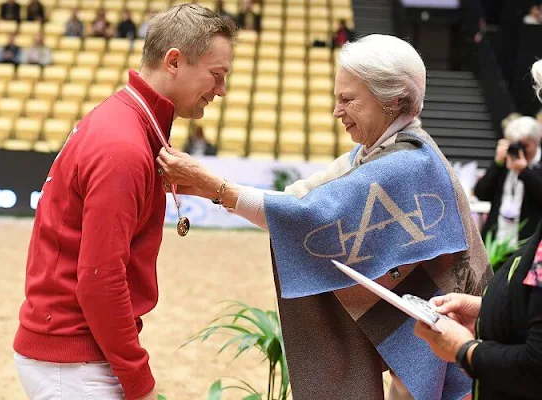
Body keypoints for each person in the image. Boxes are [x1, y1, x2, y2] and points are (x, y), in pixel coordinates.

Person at [157, 34, 492, 399]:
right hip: (425, 338)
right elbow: (296, 201)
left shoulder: (409, 164)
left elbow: (309, 216)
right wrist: (214, 189)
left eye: (347, 100)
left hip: (452, 337)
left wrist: (217, 187)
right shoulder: (370, 154)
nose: (336, 111)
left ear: (392, 100)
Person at [12, 4, 236, 400]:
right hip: (75, 356)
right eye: (216, 76)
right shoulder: (124, 144)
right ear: (174, 61)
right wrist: (139, 381)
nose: (221, 90)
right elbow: (101, 280)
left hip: (72, 347)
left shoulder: (127, 122)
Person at [415, 60, 542, 400]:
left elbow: (535, 363)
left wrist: (464, 350)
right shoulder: (507, 166)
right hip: (504, 238)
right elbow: (483, 192)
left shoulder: (536, 170)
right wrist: (489, 308)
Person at [474, 116, 542, 244]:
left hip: (527, 242)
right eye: (515, 144)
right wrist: (497, 163)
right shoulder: (505, 161)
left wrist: (524, 171)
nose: (519, 151)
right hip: (497, 240)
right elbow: (481, 193)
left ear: (536, 141)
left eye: (524, 145)